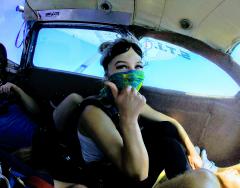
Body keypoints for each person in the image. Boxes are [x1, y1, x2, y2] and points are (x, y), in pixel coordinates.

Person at [53, 38, 203, 188]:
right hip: (104, 174)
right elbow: (138, 174)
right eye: (122, 67)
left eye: (138, 66)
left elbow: (171, 122)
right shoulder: (93, 112)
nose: (132, 73)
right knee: (170, 147)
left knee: (166, 130)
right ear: (107, 74)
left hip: (127, 155)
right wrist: (129, 118)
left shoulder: (128, 99)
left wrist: (192, 152)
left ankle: (187, 177)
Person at [0, 43, 40, 152]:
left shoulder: (12, 82)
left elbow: (36, 111)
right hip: (20, 155)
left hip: (40, 139)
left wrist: (16, 89)